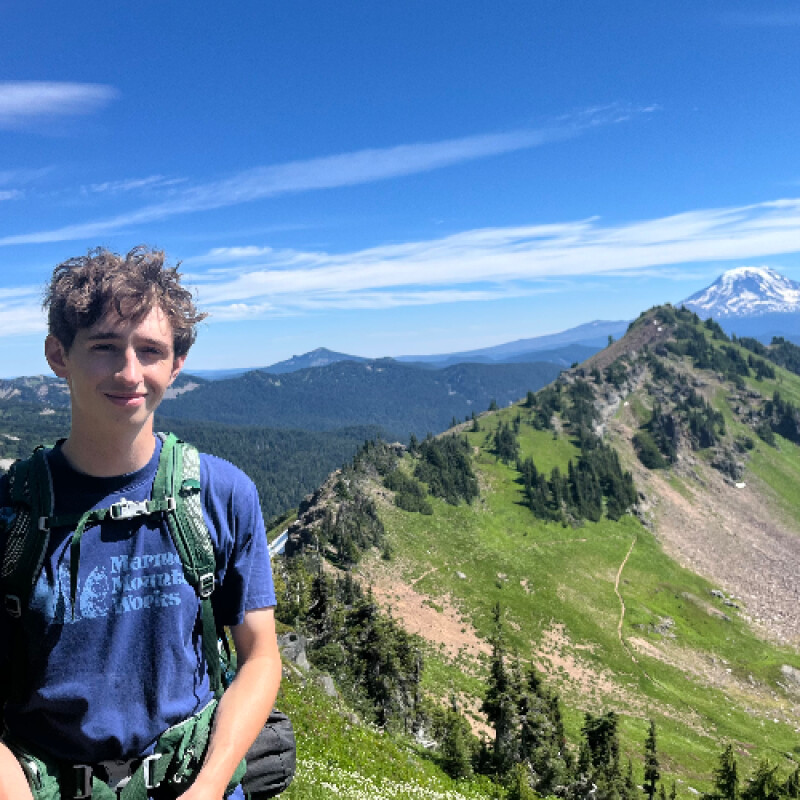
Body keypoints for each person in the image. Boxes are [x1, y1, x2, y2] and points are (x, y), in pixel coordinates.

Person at [0, 246, 282, 799]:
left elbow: (260, 657)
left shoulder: (222, 494)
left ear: (176, 364)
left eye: (150, 350)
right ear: (59, 355)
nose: (130, 373)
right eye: (104, 347)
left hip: (193, 781)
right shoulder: (12, 511)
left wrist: (210, 785)